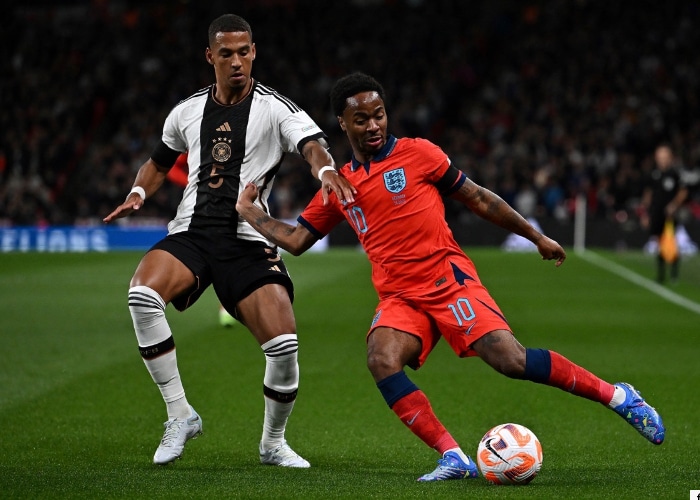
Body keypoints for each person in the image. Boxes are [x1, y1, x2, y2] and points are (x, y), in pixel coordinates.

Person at [235, 72, 665, 482]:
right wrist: (251, 212)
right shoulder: (340, 184)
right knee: (381, 359)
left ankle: (619, 396)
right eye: (361, 119)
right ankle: (453, 456)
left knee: (511, 361)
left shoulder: (419, 153)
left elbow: (477, 197)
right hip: (401, 298)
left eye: (379, 114)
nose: (373, 125)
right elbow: (296, 240)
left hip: (447, 281)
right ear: (342, 124)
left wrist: (535, 235)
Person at [103, 14, 356, 467]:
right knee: (142, 295)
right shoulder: (186, 111)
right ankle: (180, 414)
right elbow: (159, 162)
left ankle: (273, 443)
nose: (237, 61)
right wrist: (139, 192)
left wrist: (326, 170)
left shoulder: (277, 108)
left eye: (244, 52)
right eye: (227, 54)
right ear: (210, 57)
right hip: (193, 232)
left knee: (283, 349)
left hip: (247, 238)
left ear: (254, 52)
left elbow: (312, 145)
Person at [167, 152, 238, 327]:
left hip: (231, 203)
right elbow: (171, 167)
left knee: (229, 255)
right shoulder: (198, 138)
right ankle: (156, 300)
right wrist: (191, 183)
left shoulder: (241, 135)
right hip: (197, 208)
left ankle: (226, 306)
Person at [640, 144, 689, 283]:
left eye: (665, 157)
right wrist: (645, 213)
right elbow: (648, 194)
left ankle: (674, 273)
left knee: (671, 242)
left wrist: (674, 205)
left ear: (670, 158)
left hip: (671, 215)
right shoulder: (653, 174)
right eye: (660, 157)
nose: (662, 160)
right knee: (659, 243)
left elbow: (683, 191)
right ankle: (661, 274)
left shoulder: (675, 173)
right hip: (656, 213)